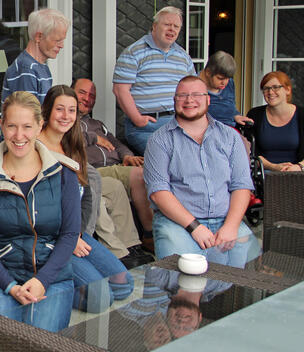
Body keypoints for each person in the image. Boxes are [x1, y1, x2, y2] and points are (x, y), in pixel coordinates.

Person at [0, 90, 77, 332]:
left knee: (40, 345)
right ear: (2, 126)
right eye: (12, 126)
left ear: (40, 126)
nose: (19, 136)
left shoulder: (64, 173)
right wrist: (10, 285)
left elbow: (70, 235)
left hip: (52, 276)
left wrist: (42, 280)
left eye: (27, 126)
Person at [32, 86, 135, 312]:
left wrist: (79, 234)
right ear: (47, 111)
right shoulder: (33, 148)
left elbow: (85, 195)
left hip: (75, 234)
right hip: (47, 239)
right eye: (60, 109)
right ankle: (50, 290)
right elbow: (34, 205)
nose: (66, 116)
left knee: (124, 284)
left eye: (72, 110)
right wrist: (67, 238)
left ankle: (66, 283)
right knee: (101, 299)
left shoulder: (72, 144)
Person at [143, 76, 260, 268]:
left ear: (208, 99)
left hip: (227, 220)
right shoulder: (159, 141)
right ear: (174, 101)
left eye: (197, 94)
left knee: (250, 275)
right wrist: (195, 227)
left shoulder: (230, 137)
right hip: (178, 224)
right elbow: (158, 193)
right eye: (183, 95)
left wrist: (231, 226)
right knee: (182, 284)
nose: (189, 100)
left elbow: (242, 186)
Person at [74, 78, 154, 248]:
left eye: (92, 96)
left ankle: (146, 238)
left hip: (115, 166)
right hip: (93, 170)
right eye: (82, 93)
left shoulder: (97, 124)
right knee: (138, 175)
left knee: (147, 170)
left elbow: (116, 143)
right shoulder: (67, 121)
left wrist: (126, 156)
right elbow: (67, 141)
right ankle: (149, 235)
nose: (87, 98)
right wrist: (93, 138)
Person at [113, 6, 195, 155]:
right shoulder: (134, 52)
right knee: (169, 159)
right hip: (147, 127)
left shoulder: (183, 56)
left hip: (179, 123)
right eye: (167, 24)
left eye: (176, 26)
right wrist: (138, 120)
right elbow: (120, 90)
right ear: (154, 26)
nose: (172, 29)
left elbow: (193, 89)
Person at [1, 8, 69, 104]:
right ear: (39, 37)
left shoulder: (41, 68)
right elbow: (27, 114)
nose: (62, 46)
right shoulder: (26, 68)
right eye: (57, 40)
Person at [246, 71, 304, 172]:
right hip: (265, 173)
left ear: (287, 90)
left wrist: (298, 167)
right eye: (266, 88)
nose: (270, 92)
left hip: (299, 173)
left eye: (275, 87)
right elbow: (250, 152)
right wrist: (273, 167)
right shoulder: (255, 115)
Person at [199, 51, 253, 128]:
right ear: (208, 72)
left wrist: (236, 115)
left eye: (228, 78)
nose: (225, 83)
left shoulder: (230, 83)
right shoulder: (195, 87)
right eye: (220, 78)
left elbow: (230, 105)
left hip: (230, 129)